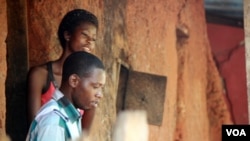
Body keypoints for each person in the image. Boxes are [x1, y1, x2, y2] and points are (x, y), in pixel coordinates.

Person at [27, 9, 99, 131]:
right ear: (68, 35)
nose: (89, 42)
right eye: (84, 35)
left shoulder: (88, 85)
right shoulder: (40, 75)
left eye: (93, 39)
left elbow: (84, 135)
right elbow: (35, 127)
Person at [26, 51, 106, 141]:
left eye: (101, 88)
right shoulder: (54, 122)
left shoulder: (70, 116)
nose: (100, 95)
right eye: (95, 87)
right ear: (74, 81)